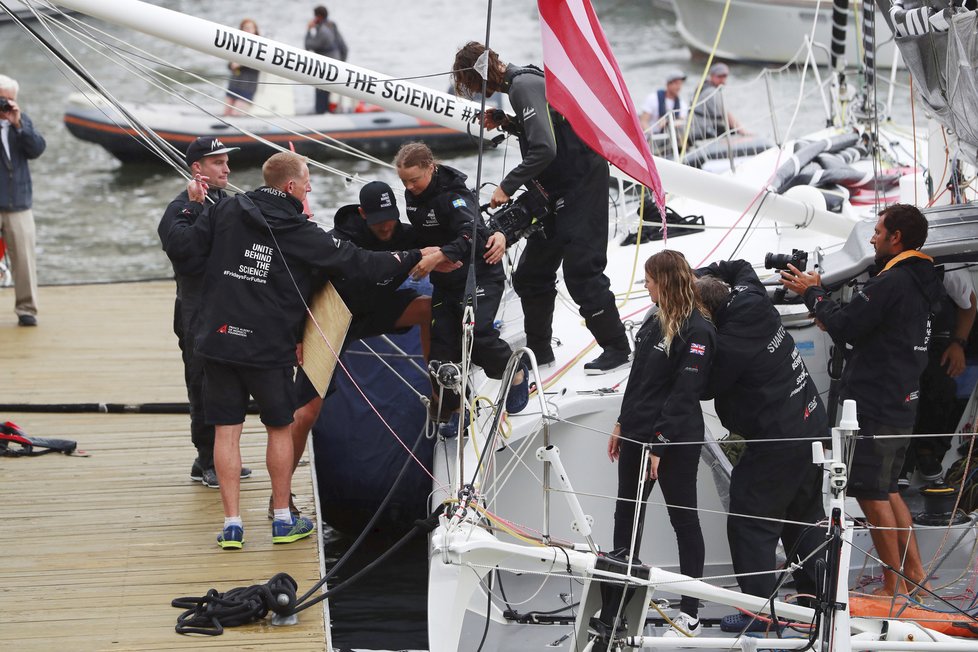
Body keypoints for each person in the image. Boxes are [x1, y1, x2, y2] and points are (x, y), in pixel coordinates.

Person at [162, 151, 422, 549]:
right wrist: (418, 255)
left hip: (219, 340)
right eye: (306, 182)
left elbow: (183, 247)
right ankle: (282, 520)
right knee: (279, 428)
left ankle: (232, 525)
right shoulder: (302, 232)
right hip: (267, 348)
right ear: (290, 187)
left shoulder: (227, 210)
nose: (310, 188)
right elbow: (360, 263)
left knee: (226, 433)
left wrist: (191, 208)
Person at [781, 203, 945, 596]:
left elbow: (847, 327)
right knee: (888, 488)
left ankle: (894, 588)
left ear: (896, 238)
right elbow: (866, 328)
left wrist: (812, 293)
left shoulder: (892, 282)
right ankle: (916, 578)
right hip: (902, 398)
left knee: (871, 492)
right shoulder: (922, 281)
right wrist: (830, 310)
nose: (872, 238)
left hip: (876, 401)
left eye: (877, 231)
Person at [452, 42, 632, 375]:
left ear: (480, 76)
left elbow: (545, 150)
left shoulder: (522, 86)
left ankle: (618, 348)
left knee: (581, 272)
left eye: (474, 84)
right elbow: (552, 127)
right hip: (555, 189)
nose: (477, 92)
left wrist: (507, 186)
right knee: (531, 274)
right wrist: (507, 122)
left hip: (582, 184)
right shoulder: (518, 85)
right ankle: (539, 350)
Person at [287, 180, 433, 510]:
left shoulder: (406, 234)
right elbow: (303, 288)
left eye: (390, 217)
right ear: (363, 213)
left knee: (429, 308)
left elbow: (449, 245)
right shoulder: (340, 240)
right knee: (306, 412)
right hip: (333, 316)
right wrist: (297, 337)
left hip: (376, 311)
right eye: (378, 218)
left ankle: (440, 390)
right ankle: (280, 497)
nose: (385, 225)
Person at [695, 261, 827, 620]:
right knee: (804, 514)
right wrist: (701, 272)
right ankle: (817, 600)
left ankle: (760, 614)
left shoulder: (731, 342)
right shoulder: (752, 295)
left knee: (750, 519)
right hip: (811, 421)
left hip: (777, 439)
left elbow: (704, 386)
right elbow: (739, 267)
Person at [607, 250, 715, 638]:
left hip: (673, 441)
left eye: (651, 279)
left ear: (666, 280)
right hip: (637, 434)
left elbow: (685, 392)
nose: (646, 284)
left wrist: (660, 444)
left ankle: (691, 613)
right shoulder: (655, 320)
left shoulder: (698, 329)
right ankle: (619, 597)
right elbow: (639, 379)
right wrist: (621, 421)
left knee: (683, 520)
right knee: (626, 515)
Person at [394, 142, 528, 429]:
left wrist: (441, 255)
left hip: (480, 274)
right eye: (404, 181)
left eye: (415, 179)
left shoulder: (453, 195)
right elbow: (420, 234)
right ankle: (458, 409)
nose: (410, 186)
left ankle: (515, 371)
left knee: (476, 335)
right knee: (440, 351)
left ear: (431, 168)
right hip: (446, 281)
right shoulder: (412, 195)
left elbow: (474, 232)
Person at [157, 137, 255, 489]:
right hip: (197, 311)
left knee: (229, 383)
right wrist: (198, 209)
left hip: (228, 309)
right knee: (202, 383)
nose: (227, 169)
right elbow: (185, 252)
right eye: (218, 162)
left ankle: (221, 455)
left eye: (227, 162)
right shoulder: (178, 208)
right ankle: (206, 457)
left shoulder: (229, 203)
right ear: (197, 168)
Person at [902, 268, 977, 485]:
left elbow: (969, 305)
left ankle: (927, 450)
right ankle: (902, 459)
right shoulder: (886, 269)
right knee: (902, 390)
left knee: (942, 386)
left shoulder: (948, 270)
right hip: (900, 340)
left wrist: (958, 344)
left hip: (938, 339)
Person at [0, 74, 45, 327]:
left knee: (24, 259)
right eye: (1, 99)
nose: (5, 105)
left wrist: (18, 125)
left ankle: (26, 309)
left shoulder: (21, 122)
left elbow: (37, 149)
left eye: (10, 100)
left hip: (18, 202)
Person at [304, 5, 347, 114]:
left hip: (325, 67)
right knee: (330, 93)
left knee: (321, 94)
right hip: (336, 64)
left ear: (318, 17)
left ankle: (320, 113)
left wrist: (308, 31)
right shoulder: (332, 26)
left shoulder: (322, 31)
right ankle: (329, 112)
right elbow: (344, 48)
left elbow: (308, 45)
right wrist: (342, 63)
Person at [689, 62, 746, 141]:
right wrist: (742, 131)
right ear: (712, 76)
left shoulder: (705, 86)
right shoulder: (710, 92)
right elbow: (725, 114)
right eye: (719, 77)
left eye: (724, 76)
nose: (722, 80)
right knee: (734, 132)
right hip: (702, 128)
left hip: (700, 125)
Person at [225, 18, 261, 116]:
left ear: (255, 30)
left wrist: (241, 64)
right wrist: (232, 65)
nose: (248, 30)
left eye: (250, 28)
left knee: (236, 114)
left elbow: (257, 64)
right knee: (226, 112)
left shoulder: (259, 47)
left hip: (247, 87)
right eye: (245, 28)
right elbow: (229, 64)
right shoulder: (237, 44)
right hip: (234, 85)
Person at [639, 70, 688, 136]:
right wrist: (652, 136)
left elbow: (681, 121)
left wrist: (667, 123)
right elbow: (643, 121)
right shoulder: (653, 98)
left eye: (680, 84)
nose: (679, 87)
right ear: (668, 84)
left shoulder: (682, 104)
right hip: (651, 137)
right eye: (676, 83)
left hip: (671, 138)